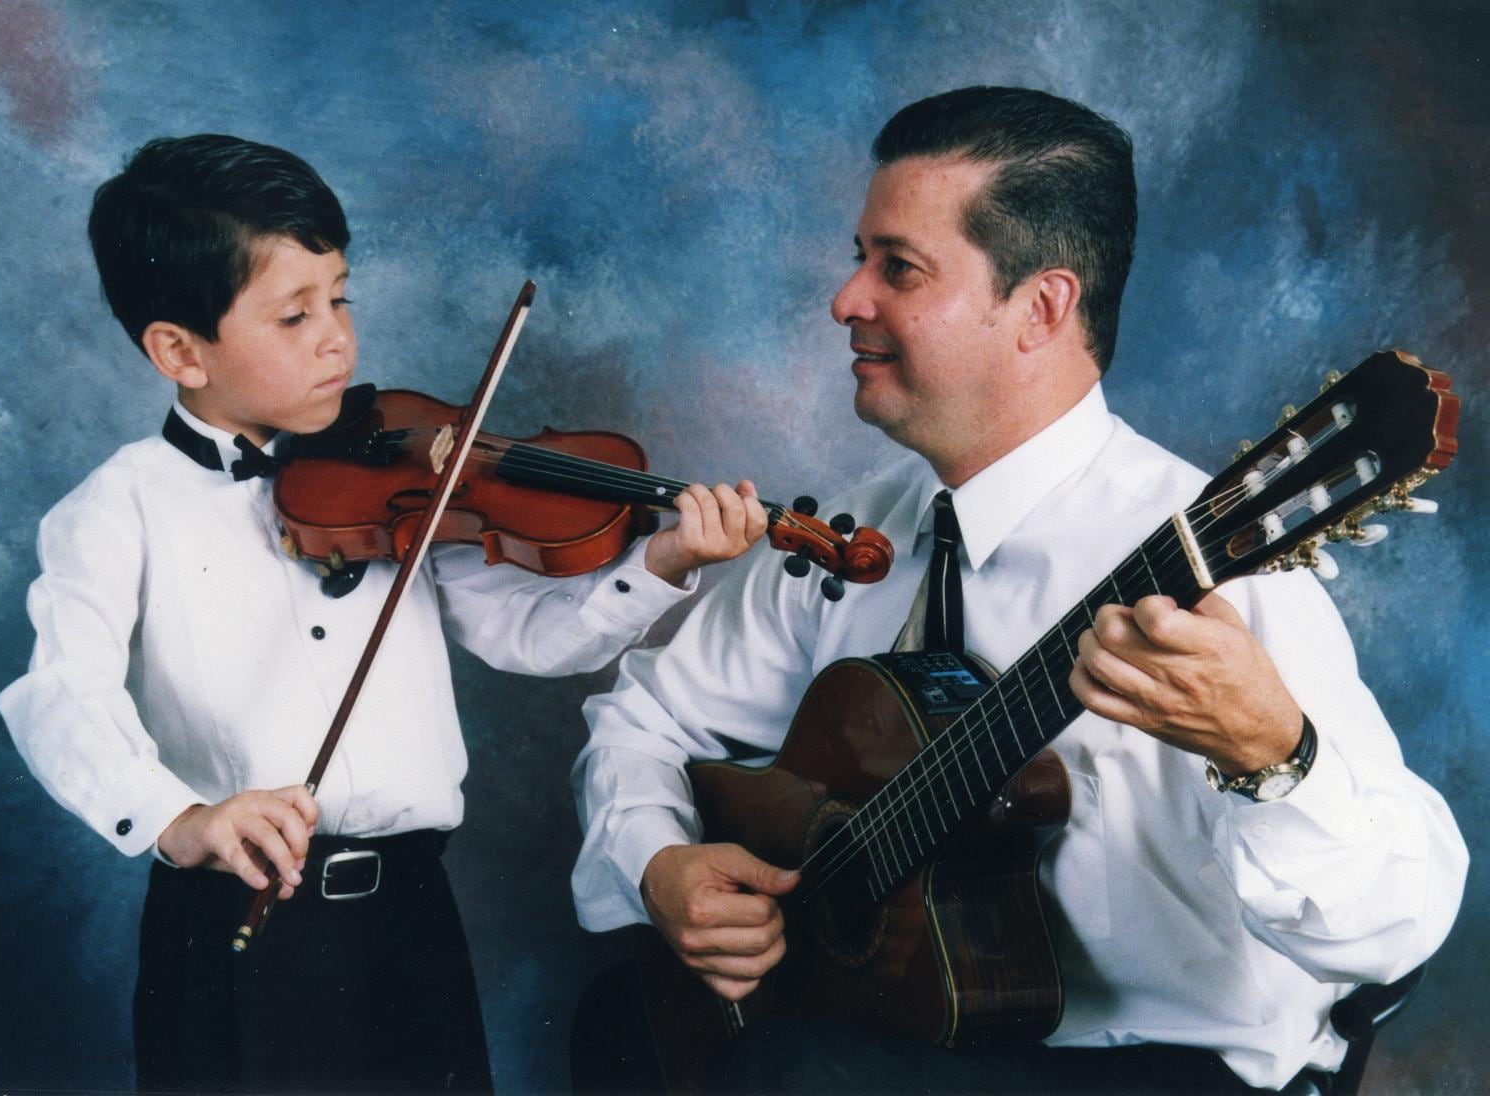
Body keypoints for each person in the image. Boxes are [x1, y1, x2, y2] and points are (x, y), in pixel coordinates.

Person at [570, 87, 1468, 1092]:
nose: (846, 300)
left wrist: (1271, 753)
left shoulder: (1221, 575)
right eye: (859, 257)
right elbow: (643, 720)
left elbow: (1402, 921)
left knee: (791, 1074)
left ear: (1041, 307)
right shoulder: (855, 537)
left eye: (897, 267)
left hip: (1161, 1064)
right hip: (917, 1035)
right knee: (625, 1018)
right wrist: (658, 864)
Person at [0, 133, 771, 1094]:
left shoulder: (404, 472)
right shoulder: (117, 508)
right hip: (238, 925)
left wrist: (661, 562)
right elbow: (60, 695)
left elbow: (529, 635)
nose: (337, 338)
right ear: (178, 350)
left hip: (411, 916)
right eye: (294, 315)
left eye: (341, 297)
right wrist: (180, 817)